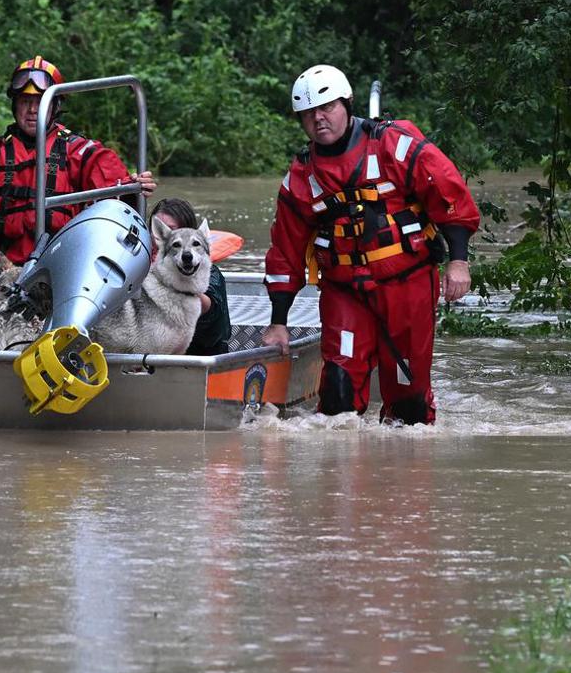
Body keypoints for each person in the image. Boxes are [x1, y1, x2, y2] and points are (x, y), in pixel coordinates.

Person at [260, 64, 479, 424]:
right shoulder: (302, 176)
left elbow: (448, 192)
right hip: (346, 292)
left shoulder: (394, 144)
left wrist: (458, 261)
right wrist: (278, 322)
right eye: (308, 114)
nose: (318, 119)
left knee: (409, 406)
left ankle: (403, 455)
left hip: (407, 284)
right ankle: (341, 459)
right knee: (338, 394)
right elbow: (285, 251)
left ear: (346, 103)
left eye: (327, 107)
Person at [0, 56, 156, 304]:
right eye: (25, 102)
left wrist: (133, 186)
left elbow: (116, 201)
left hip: (63, 277)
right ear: (14, 105)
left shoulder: (82, 153)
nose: (32, 110)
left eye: (39, 102)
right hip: (0, 280)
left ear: (54, 106)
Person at [149, 196, 231, 355]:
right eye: (159, 230)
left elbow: (208, 306)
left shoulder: (212, 274)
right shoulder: (140, 266)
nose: (163, 235)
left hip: (200, 357)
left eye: (170, 230)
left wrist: (171, 283)